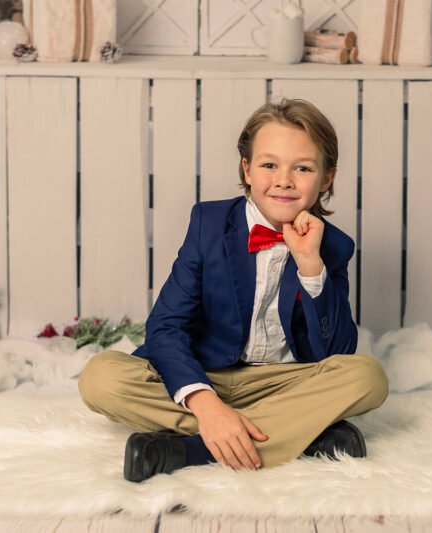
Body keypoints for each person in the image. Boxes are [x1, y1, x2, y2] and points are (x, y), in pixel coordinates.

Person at [78, 98, 389, 483]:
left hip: (283, 382)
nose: (284, 180)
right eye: (269, 165)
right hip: (205, 373)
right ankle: (300, 434)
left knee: (367, 377)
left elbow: (336, 352)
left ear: (326, 178)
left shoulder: (333, 246)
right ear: (247, 168)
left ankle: (191, 451)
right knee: (101, 377)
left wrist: (311, 265)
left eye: (303, 168)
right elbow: (166, 327)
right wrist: (207, 405)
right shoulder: (209, 224)